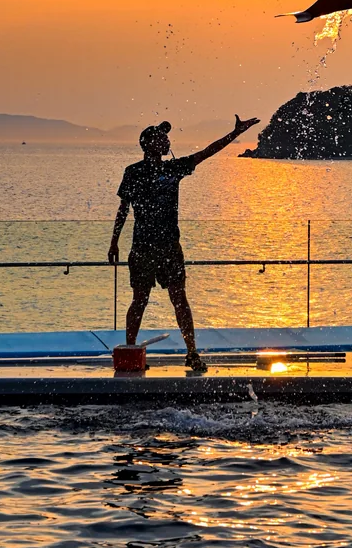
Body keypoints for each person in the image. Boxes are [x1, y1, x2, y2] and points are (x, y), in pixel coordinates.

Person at [108, 114, 259, 372]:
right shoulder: (133, 172)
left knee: (180, 299)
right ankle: (131, 351)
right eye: (160, 137)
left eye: (166, 136)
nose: (166, 140)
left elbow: (207, 152)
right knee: (139, 299)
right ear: (148, 144)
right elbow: (123, 208)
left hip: (170, 247)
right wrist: (114, 242)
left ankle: (191, 352)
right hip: (143, 247)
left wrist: (235, 134)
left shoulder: (173, 168)